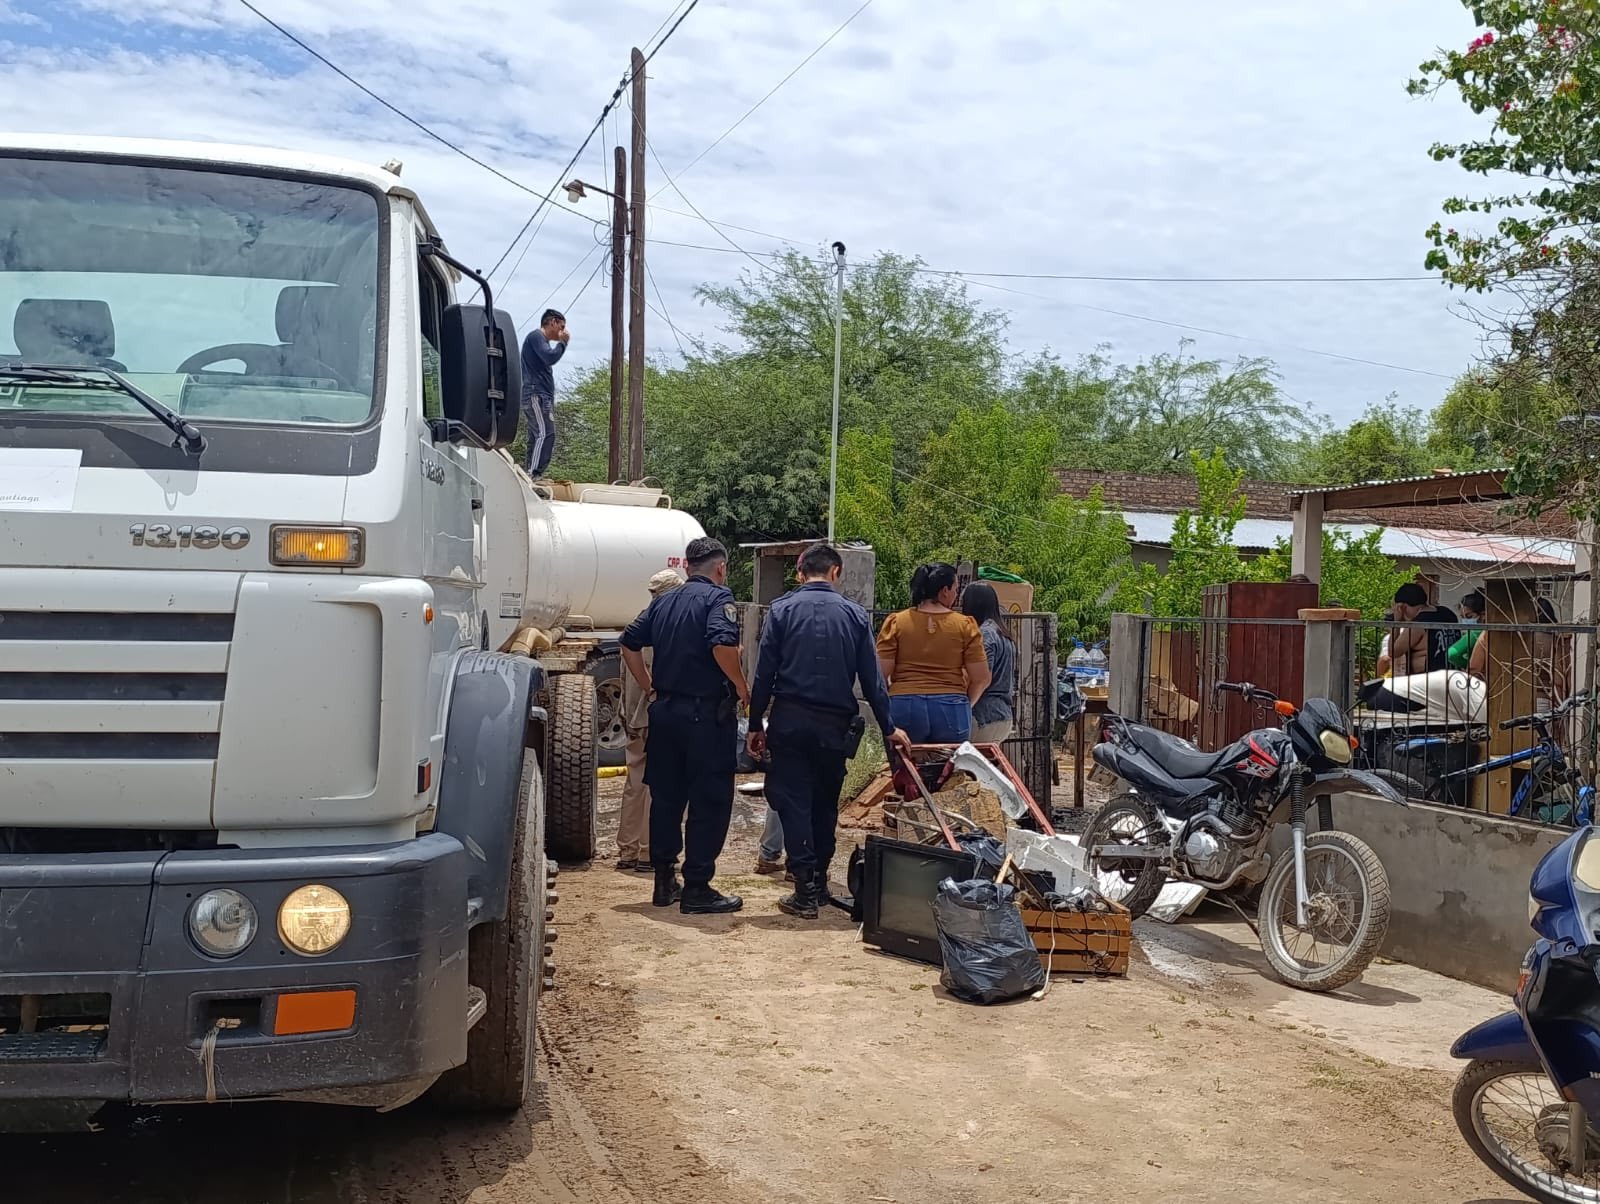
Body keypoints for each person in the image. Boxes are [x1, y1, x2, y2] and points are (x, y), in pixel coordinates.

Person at [747, 543, 911, 918]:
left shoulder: (782, 610)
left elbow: (764, 674)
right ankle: (818, 880)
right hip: (835, 727)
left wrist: (756, 723)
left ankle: (805, 886)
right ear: (836, 573)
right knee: (825, 802)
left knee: (791, 799)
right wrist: (889, 727)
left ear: (801, 573)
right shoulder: (854, 616)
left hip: (790, 721)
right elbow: (872, 681)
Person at [620, 537, 750, 916]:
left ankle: (664, 881)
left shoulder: (663, 602)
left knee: (666, 798)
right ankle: (697, 886)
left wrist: (649, 686)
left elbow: (629, 643)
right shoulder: (718, 599)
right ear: (721, 568)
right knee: (709, 801)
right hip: (705, 717)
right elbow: (722, 645)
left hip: (666, 715)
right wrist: (742, 687)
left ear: (688, 566)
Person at [615, 568, 685, 872]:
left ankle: (626, 851)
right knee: (658, 785)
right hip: (655, 715)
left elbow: (622, 677)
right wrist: (652, 690)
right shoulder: (664, 626)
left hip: (634, 717)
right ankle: (646, 852)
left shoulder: (636, 625)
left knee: (634, 783)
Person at [876, 563, 991, 744]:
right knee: (949, 771)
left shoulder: (896, 622)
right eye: (955, 589)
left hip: (904, 705)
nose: (956, 595)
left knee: (906, 768)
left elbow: (880, 675)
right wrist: (965, 705)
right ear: (945, 591)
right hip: (951, 706)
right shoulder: (965, 625)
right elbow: (982, 678)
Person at [960, 582, 1016, 745]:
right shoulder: (1003, 634)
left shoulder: (984, 634)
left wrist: (965, 707)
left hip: (983, 716)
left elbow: (982, 678)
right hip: (1003, 716)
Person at [520, 308, 569, 479]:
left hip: (541, 395)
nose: (563, 331)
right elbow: (550, 357)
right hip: (536, 393)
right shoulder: (537, 337)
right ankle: (533, 473)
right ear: (552, 322)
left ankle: (531, 470)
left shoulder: (541, 341)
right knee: (545, 433)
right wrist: (563, 343)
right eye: (561, 326)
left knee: (536, 435)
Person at [1378, 583, 1457, 677]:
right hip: (1451, 673)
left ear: (1402, 607)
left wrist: (1396, 622)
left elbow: (1394, 652)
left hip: (1427, 679)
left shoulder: (1418, 623)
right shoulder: (1446, 613)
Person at [1447, 590, 1486, 671]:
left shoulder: (1476, 632)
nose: (1465, 620)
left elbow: (1452, 654)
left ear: (1483, 615)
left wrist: (1469, 664)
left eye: (1469, 616)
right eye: (1462, 617)